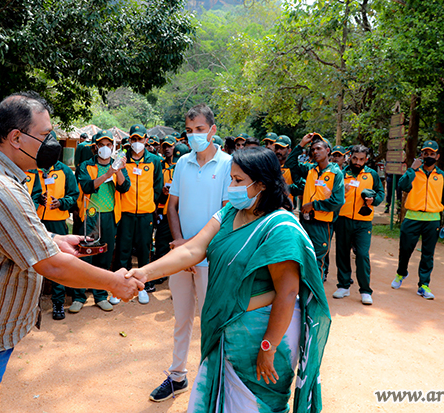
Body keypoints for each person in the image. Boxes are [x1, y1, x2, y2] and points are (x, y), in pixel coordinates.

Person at [0, 92, 142, 413]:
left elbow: (6, 233)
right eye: (45, 135)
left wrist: (53, 239)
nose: (52, 143)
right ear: (16, 138)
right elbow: (52, 266)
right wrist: (113, 283)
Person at [130, 147, 331, 413]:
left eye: (238, 180)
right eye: (231, 179)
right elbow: (192, 250)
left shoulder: (280, 228)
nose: (231, 187)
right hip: (224, 331)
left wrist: (268, 346)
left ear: (261, 184)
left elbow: (287, 292)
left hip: (261, 338)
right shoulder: (229, 213)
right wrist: (143, 273)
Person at [150, 104, 232, 402]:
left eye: (199, 129)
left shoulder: (228, 164)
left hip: (212, 257)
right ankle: (177, 376)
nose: (194, 135)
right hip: (182, 256)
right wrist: (181, 245)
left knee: (211, 321)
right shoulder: (182, 163)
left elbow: (226, 213)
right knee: (181, 319)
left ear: (212, 130)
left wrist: (193, 249)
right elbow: (172, 207)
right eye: (189, 130)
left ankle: (213, 381)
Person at [72, 129, 130, 312]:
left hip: (109, 215)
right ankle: (79, 297)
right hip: (90, 215)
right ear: (95, 147)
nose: (105, 148)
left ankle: (100, 295)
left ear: (113, 147)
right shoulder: (86, 165)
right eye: (101, 145)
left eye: (108, 145)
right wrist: (107, 174)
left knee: (105, 256)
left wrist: (118, 170)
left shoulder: (118, 164)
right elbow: (87, 187)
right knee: (85, 256)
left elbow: (124, 188)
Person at [391, 140, 444, 300]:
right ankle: (401, 273)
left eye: (432, 154)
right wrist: (412, 169)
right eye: (426, 153)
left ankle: (424, 285)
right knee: (405, 249)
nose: (429, 156)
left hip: (432, 220)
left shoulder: (442, 176)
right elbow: (402, 186)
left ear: (437, 156)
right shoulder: (414, 172)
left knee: (428, 254)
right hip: (412, 217)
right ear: (421, 155)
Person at [35, 131, 80, 320]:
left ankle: (58, 302)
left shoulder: (65, 170)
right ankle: (32, 304)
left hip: (58, 222)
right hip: (36, 221)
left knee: (58, 261)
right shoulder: (32, 168)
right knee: (33, 260)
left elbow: (74, 195)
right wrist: (38, 199)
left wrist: (61, 202)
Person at [116, 124, 163, 304]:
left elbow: (157, 186)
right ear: (129, 140)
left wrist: (149, 204)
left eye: (140, 139)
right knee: (123, 250)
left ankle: (143, 287)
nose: (137, 142)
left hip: (145, 213)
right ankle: (121, 286)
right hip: (126, 212)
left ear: (146, 140)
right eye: (133, 139)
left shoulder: (154, 161)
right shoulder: (123, 160)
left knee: (144, 249)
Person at [332, 145, 385, 305]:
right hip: (343, 219)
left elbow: (381, 193)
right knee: (342, 253)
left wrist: (373, 200)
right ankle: (343, 285)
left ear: (366, 159)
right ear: (350, 157)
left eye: (361, 159)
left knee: (362, 254)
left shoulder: (372, 174)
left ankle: (365, 290)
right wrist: (342, 191)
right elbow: (332, 193)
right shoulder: (341, 174)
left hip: (363, 221)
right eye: (355, 158)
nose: (357, 162)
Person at [287, 133, 345, 275]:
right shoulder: (310, 170)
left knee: (317, 262)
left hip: (322, 224)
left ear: (327, 150)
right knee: (303, 258)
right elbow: (290, 164)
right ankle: (305, 288)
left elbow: (337, 201)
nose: (315, 152)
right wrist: (301, 145)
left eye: (319, 148)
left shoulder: (336, 173)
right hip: (306, 221)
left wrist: (313, 205)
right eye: (313, 149)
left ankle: (316, 289)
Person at [151, 135, 177, 290]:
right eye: (165, 146)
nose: (167, 149)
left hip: (179, 212)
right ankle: (161, 273)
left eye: (170, 146)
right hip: (162, 210)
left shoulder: (181, 165)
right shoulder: (159, 165)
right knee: (161, 242)